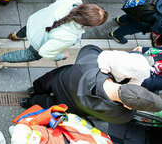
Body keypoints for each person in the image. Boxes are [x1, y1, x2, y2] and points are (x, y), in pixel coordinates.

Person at [22, 45, 162, 124]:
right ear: (128, 106)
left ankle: (33, 90)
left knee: (44, 82)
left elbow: (89, 48)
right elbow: (128, 113)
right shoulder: (122, 115)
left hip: (60, 81)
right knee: (49, 104)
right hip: (70, 105)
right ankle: (29, 102)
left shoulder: (91, 64)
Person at [0, 0, 108, 69]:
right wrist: (60, 56)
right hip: (39, 41)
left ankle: (15, 36)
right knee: (29, 54)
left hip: (35, 22)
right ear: (88, 25)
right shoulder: (69, 37)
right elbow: (45, 52)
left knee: (27, 29)